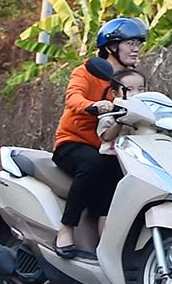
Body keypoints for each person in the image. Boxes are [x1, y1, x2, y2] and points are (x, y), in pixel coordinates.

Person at [51, 16, 148, 259]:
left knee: (123, 172)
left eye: (139, 42)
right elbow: (73, 98)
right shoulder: (86, 72)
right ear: (110, 47)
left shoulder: (130, 79)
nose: (136, 48)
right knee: (94, 164)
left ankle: (108, 239)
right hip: (73, 143)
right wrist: (92, 106)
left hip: (111, 147)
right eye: (129, 42)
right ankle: (66, 229)